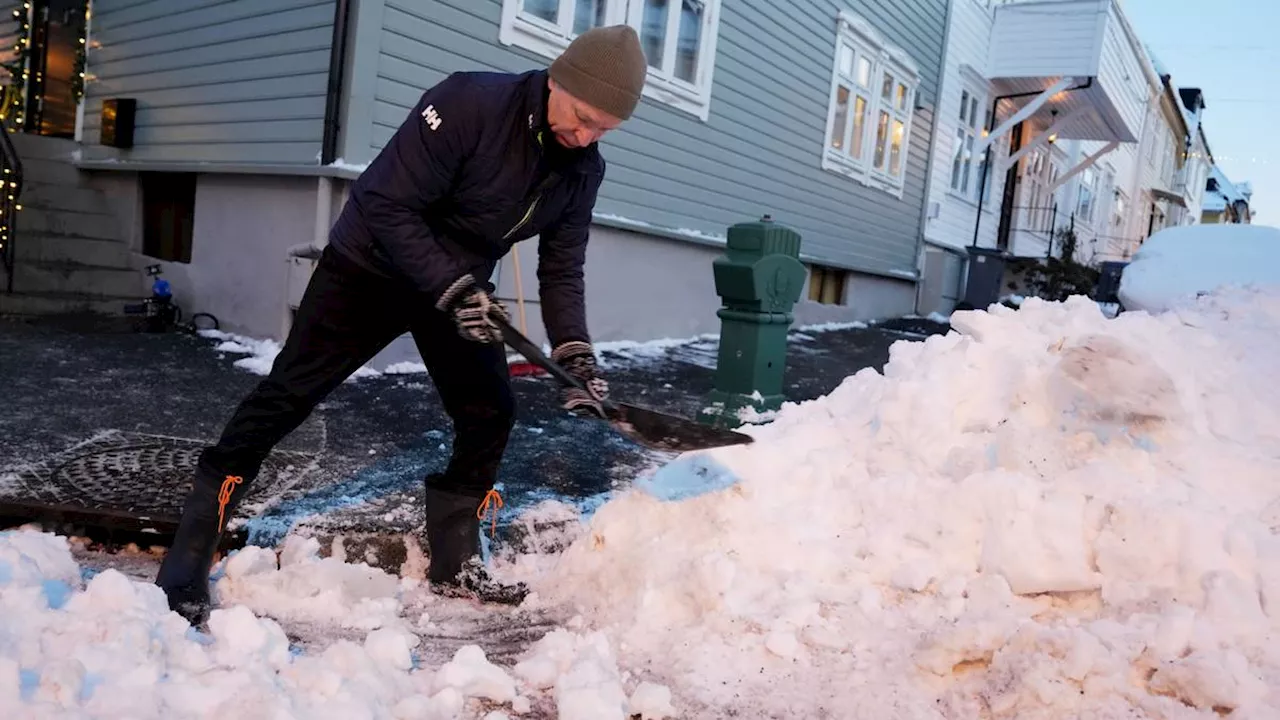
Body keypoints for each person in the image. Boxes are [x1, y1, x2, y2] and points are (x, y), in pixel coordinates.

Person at [155, 25, 649, 624]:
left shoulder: (581, 170)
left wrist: (574, 351)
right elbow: (384, 203)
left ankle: (454, 557)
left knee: (489, 409)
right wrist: (452, 284)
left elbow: (562, 268)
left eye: (604, 129)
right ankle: (199, 526)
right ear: (557, 79)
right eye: (582, 116)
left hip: (458, 289)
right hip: (369, 267)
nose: (585, 136)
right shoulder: (469, 103)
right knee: (290, 391)